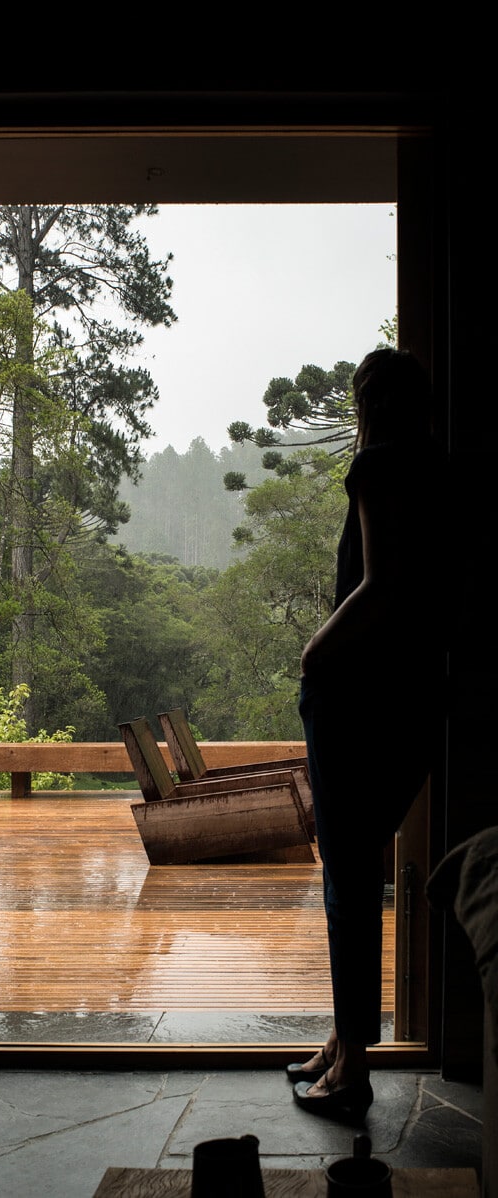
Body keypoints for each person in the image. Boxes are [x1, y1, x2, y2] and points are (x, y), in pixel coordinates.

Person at [288, 347, 449, 1120]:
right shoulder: (436, 471)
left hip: (362, 700)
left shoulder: (380, 466)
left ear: (369, 404)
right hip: (412, 696)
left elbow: (379, 585)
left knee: (348, 881)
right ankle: (345, 1038)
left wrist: (315, 651)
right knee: (350, 877)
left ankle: (352, 1065)